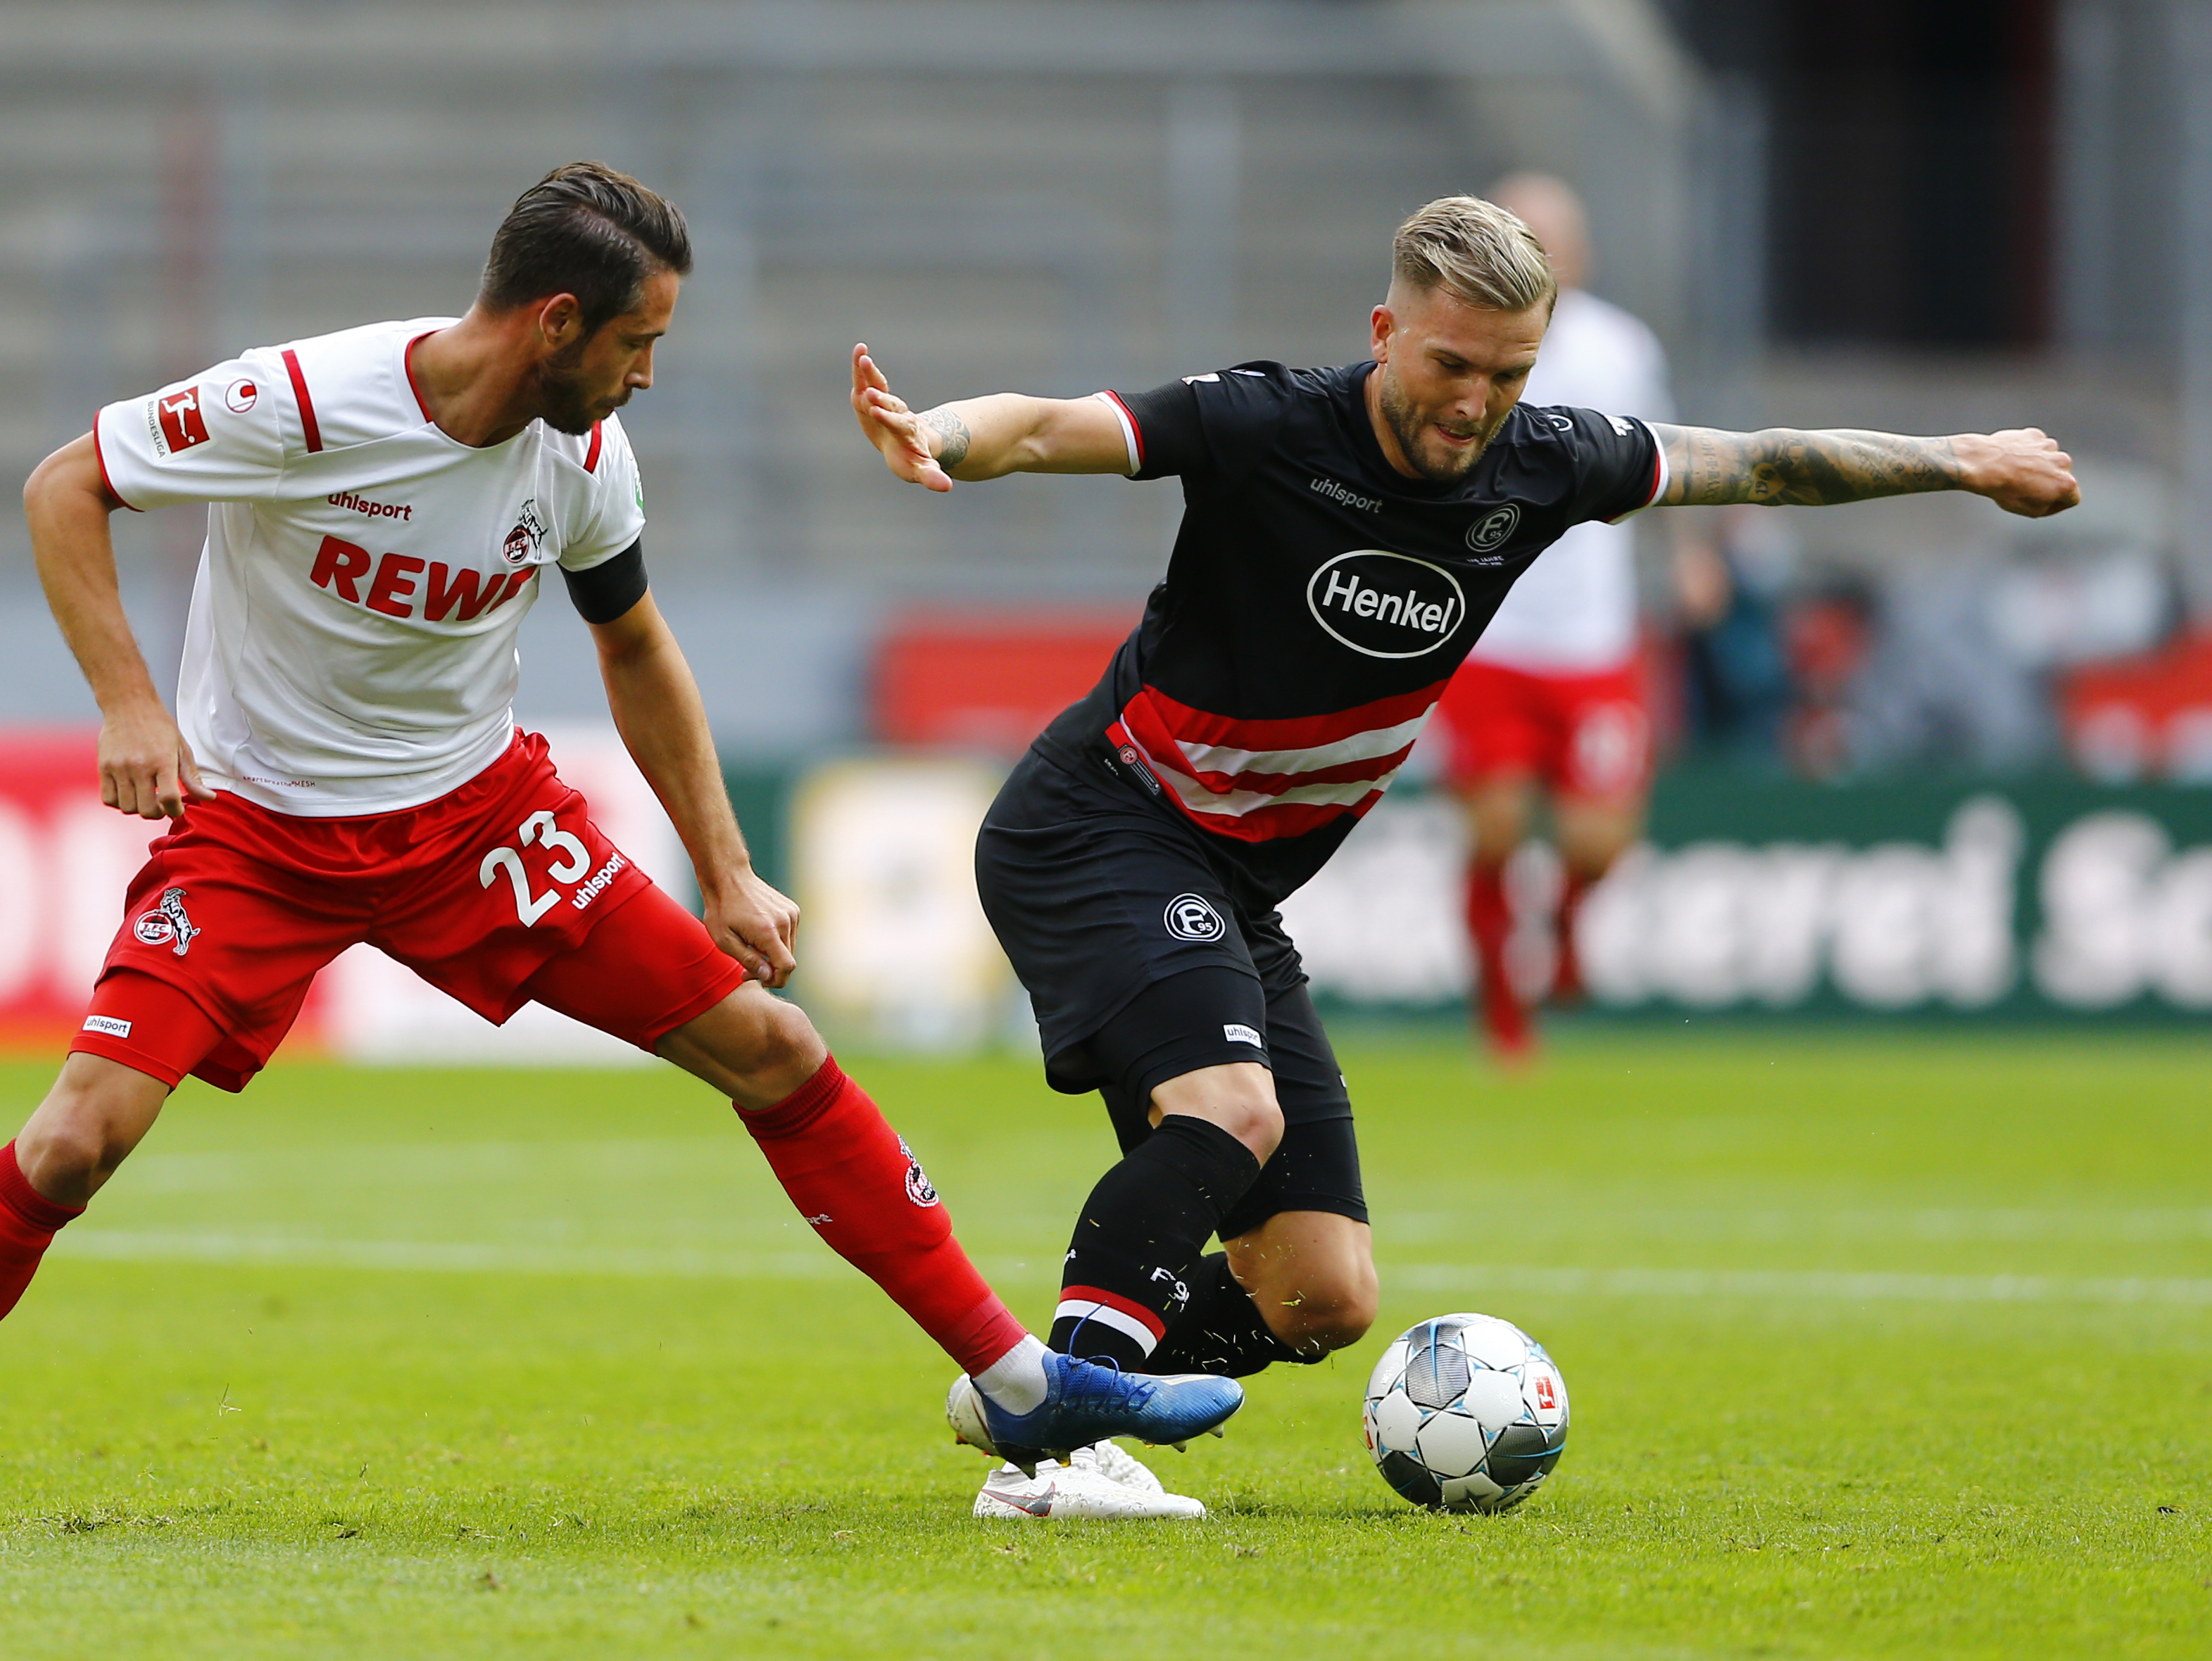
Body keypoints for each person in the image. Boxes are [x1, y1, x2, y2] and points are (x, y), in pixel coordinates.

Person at [0, 163, 1238, 1543]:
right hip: (258, 835)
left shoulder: (583, 451)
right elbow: (61, 484)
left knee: (774, 1048)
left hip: (478, 825)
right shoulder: (303, 401)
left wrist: (721, 865)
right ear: (554, 321)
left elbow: (636, 642)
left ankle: (1023, 1384)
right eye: (637, 340)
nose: (646, 374)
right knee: (76, 1141)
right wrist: (132, 704)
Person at [852, 195, 2079, 1515]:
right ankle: (1061, 1447)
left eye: (1509, 375)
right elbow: (1051, 426)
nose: (1474, 403)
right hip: (1104, 819)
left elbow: (1762, 462)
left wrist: (1960, 457)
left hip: (1233, 885)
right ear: (1387, 333)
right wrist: (944, 437)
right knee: (1231, 1111)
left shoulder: (1544, 464)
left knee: (1320, 1293)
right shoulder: (1269, 423)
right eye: (1449, 364)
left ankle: (1029, 1386)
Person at [1435, 173, 1688, 1059]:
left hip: (1593, 638)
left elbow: (1667, 458)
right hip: (1490, 633)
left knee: (1597, 842)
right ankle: (1503, 1017)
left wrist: (1687, 555)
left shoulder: (1622, 346)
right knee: (1497, 828)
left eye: (1554, 236)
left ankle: (1570, 935)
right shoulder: (1461, 343)